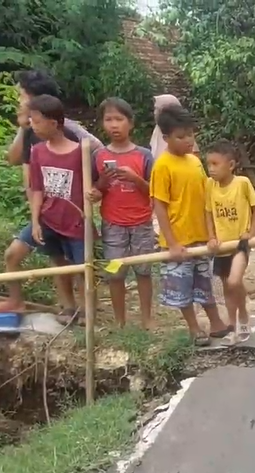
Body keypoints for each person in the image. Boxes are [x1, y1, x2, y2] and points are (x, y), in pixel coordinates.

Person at [0, 70, 100, 314]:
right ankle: (64, 306)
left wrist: (94, 189)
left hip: (72, 214)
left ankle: (86, 310)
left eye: (21, 96)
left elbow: (98, 151)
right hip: (44, 211)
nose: (18, 101)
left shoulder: (68, 130)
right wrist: (24, 128)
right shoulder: (31, 130)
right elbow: (13, 158)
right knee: (54, 259)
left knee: (78, 265)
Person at [152, 104, 227, 346]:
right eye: (180, 136)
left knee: (204, 282)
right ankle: (194, 328)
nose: (187, 140)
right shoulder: (162, 166)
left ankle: (216, 323)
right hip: (178, 240)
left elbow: (207, 198)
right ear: (166, 138)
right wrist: (172, 243)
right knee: (182, 288)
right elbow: (160, 206)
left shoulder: (195, 162)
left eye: (190, 135)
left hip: (201, 236)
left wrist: (212, 232)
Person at [91, 97, 156, 330]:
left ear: (131, 123)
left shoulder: (144, 156)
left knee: (144, 271)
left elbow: (155, 191)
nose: (114, 125)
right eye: (108, 120)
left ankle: (147, 319)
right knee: (114, 273)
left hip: (142, 222)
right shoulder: (97, 156)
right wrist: (101, 185)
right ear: (102, 124)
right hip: (112, 224)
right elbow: (94, 191)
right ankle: (120, 321)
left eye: (119, 119)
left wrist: (135, 179)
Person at [205, 140, 255, 346]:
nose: (211, 169)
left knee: (234, 281)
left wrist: (250, 233)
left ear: (230, 165)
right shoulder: (209, 185)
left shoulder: (242, 183)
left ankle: (244, 314)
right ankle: (232, 325)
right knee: (227, 287)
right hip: (221, 245)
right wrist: (211, 236)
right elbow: (209, 213)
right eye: (208, 164)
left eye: (215, 164)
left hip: (240, 243)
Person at [149, 94, 183, 165]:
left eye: (158, 109)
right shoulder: (158, 130)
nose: (155, 113)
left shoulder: (184, 134)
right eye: (155, 109)